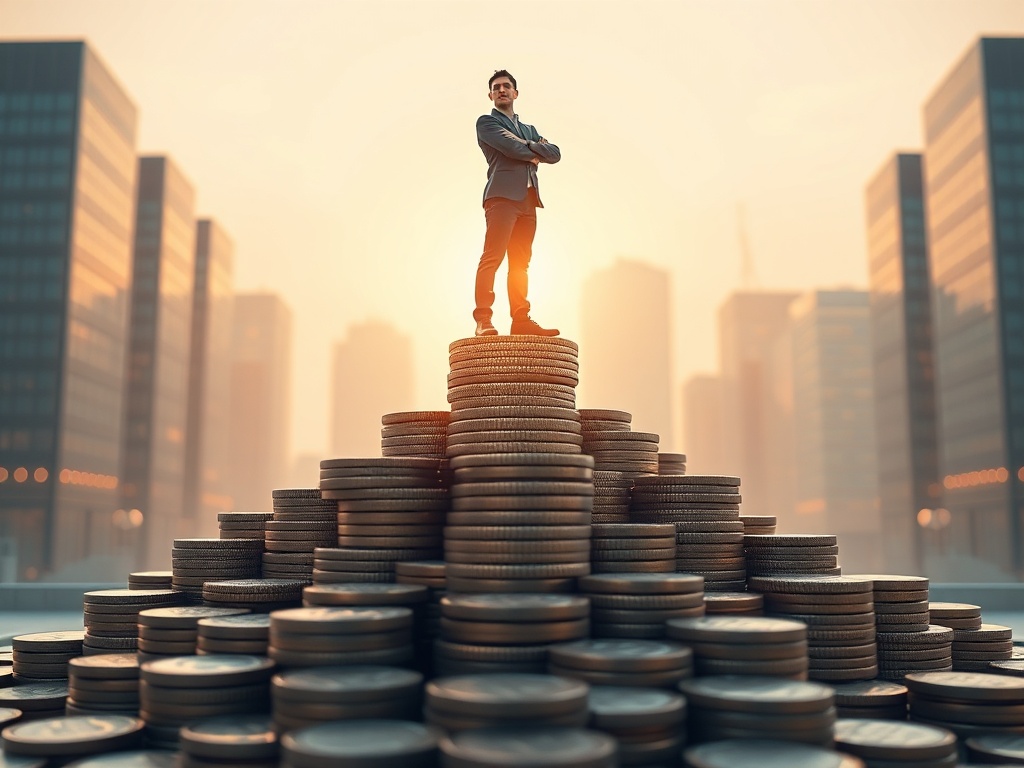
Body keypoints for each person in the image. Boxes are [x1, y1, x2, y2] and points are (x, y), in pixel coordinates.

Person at [472, 69, 561, 337]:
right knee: (493, 257)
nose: (501, 90)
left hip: (528, 201)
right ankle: (483, 320)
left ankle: (521, 319)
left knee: (521, 263)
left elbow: (554, 154)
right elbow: (510, 148)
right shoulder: (487, 123)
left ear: (515, 93)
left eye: (506, 86)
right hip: (501, 198)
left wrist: (527, 144)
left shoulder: (528, 129)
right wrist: (534, 149)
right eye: (496, 87)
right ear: (490, 95)